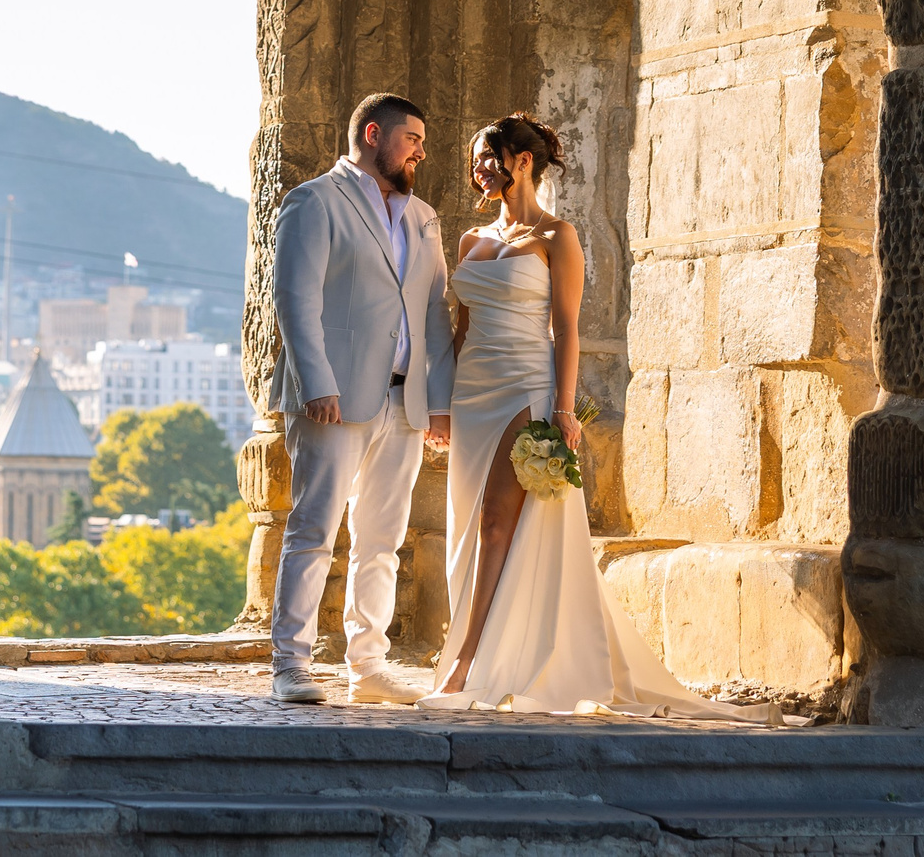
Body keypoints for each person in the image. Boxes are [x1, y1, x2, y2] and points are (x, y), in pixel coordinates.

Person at [417, 113, 764, 720]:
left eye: (487, 157)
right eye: (474, 160)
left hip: (525, 389)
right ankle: (484, 650)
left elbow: (568, 329)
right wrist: (441, 406)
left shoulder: (558, 236)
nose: (478, 169)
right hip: (473, 395)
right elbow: (461, 329)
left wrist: (562, 409)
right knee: (470, 528)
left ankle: (466, 661)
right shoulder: (471, 242)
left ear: (522, 161)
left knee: (497, 524)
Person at [265, 92, 455, 704]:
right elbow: (295, 297)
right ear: (374, 134)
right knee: (314, 529)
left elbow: (433, 312)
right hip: (335, 398)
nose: (420, 152)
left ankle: (368, 666)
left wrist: (439, 402)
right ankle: (290, 665)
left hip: (405, 403)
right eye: (412, 139)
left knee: (383, 541)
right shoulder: (315, 200)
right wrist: (317, 382)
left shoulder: (424, 216)